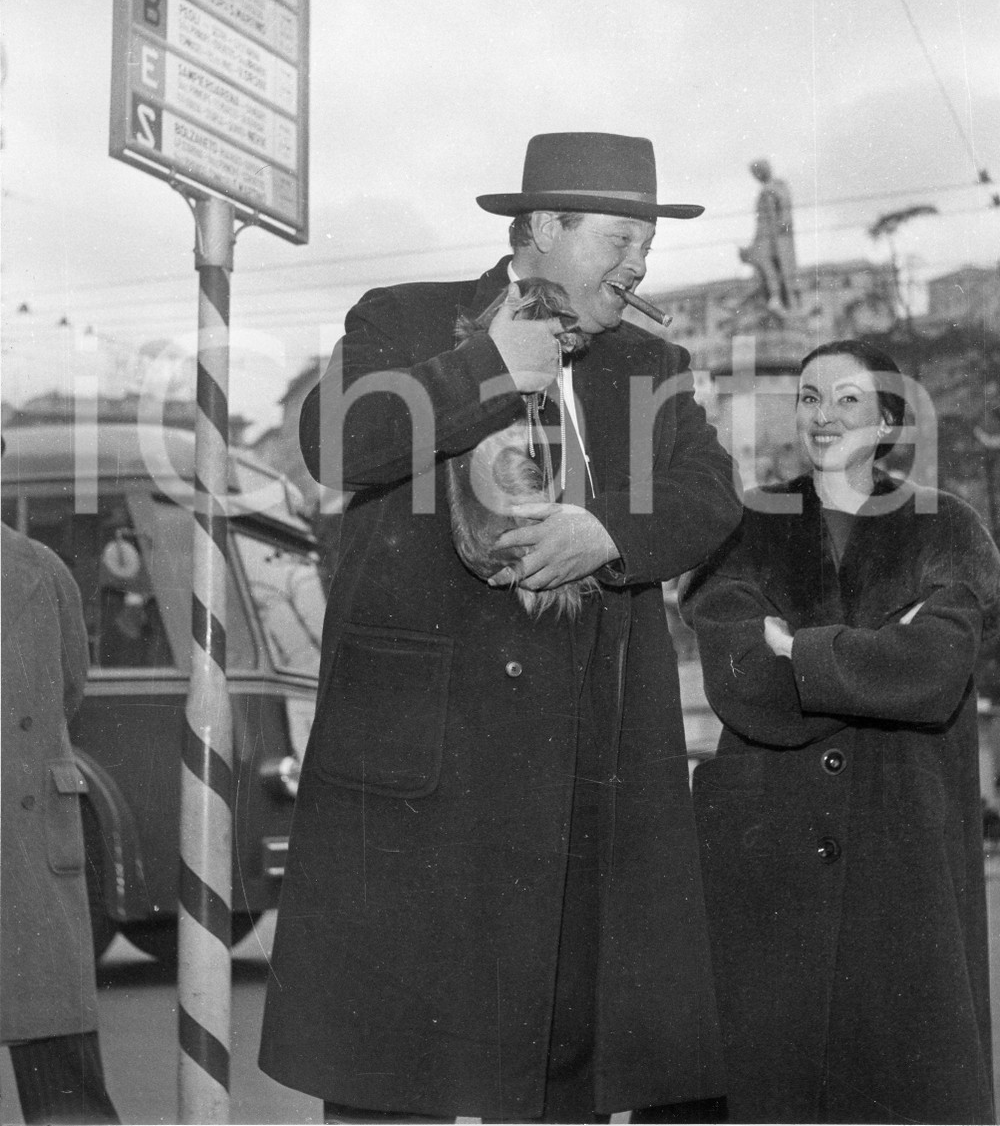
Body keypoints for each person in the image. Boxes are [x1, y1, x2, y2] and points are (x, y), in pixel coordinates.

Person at [259, 131, 742, 1123]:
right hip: (424, 779)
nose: (637, 265)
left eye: (646, 244)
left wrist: (608, 532)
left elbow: (711, 494)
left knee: (563, 1084)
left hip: (586, 782)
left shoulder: (652, 362)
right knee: (396, 1085)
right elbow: (334, 442)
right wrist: (489, 367)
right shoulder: (404, 319)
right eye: (618, 239)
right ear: (542, 227)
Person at [680, 338, 999, 1124]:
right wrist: (878, 652)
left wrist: (801, 649)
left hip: (903, 857)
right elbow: (743, 682)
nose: (823, 416)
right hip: (768, 861)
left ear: (888, 421)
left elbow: (936, 670)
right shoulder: (744, 528)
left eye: (848, 399)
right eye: (809, 397)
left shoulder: (946, 527)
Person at [1, 519, 121, 1125]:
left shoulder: (42, 571)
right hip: (29, 829)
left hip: (26, 839)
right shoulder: (42, 568)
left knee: (63, 1080)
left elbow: (67, 691)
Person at [738, 158, 796, 315]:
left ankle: (776, 297)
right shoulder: (766, 190)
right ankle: (771, 297)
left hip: (775, 236)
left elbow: (784, 209)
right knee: (763, 264)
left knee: (770, 264)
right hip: (764, 234)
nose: (756, 176)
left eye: (757, 172)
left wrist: (782, 223)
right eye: (754, 174)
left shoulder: (778, 186)